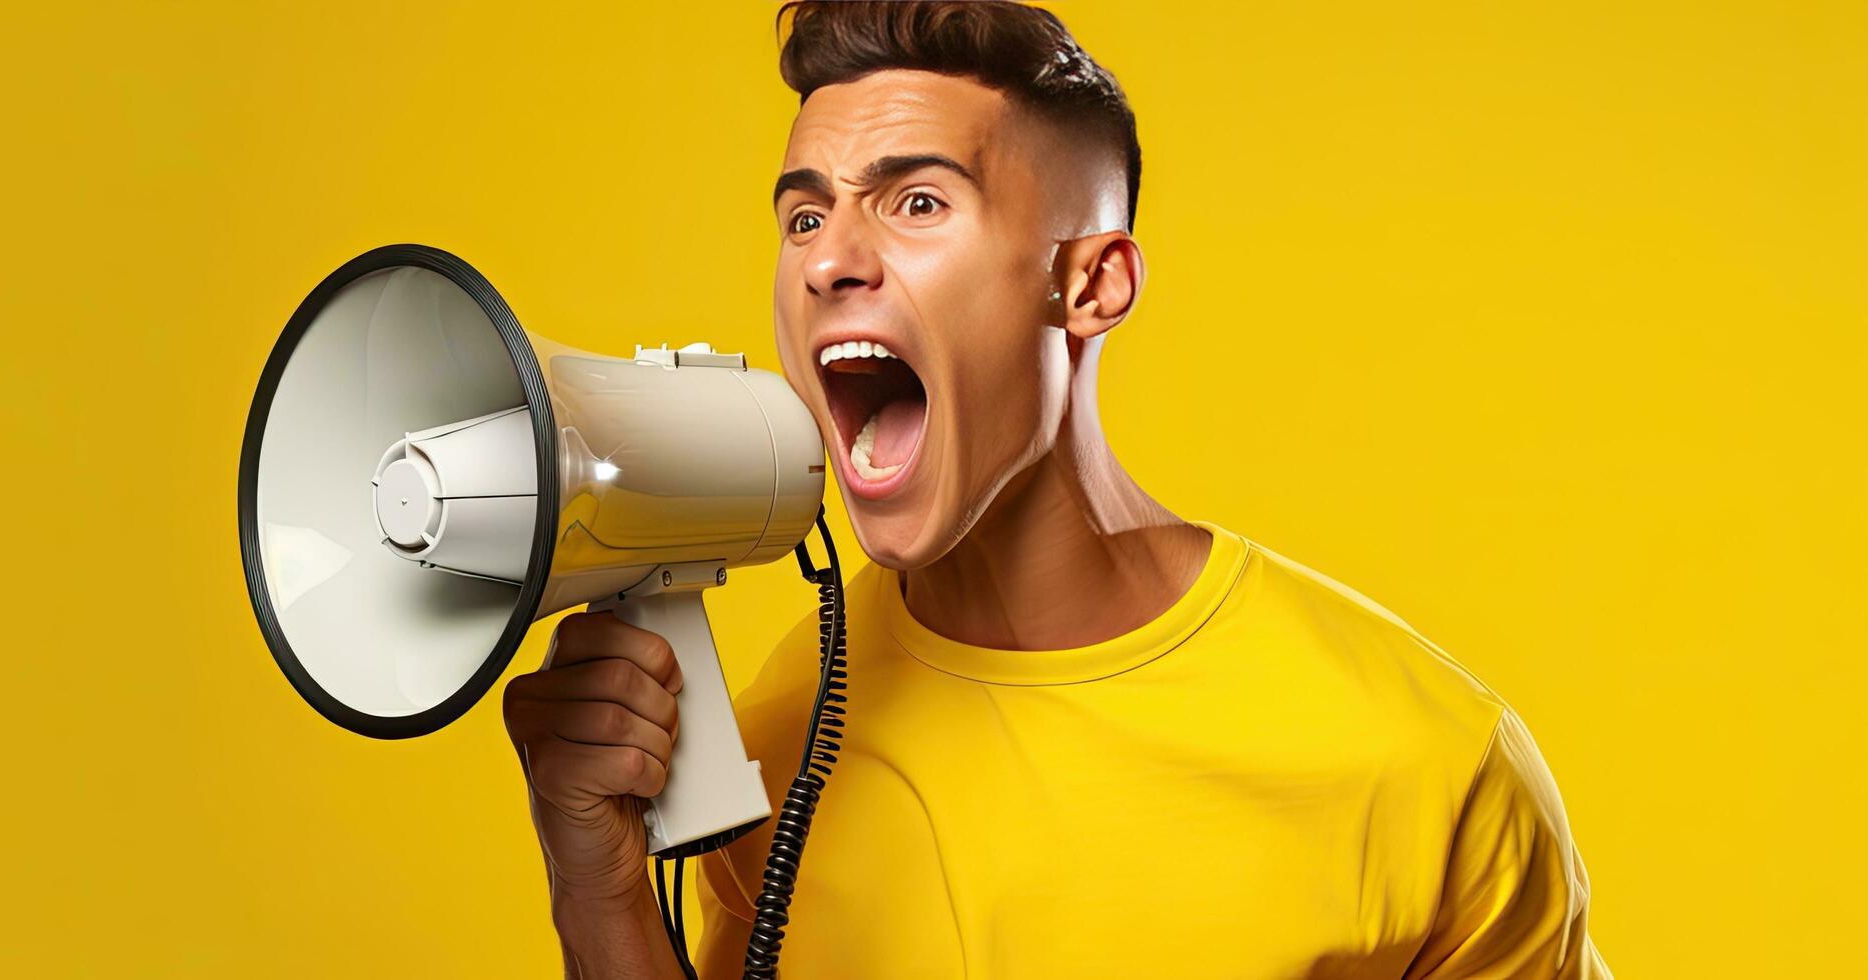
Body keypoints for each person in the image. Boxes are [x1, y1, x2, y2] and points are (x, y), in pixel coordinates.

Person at [500, 3, 1611, 977]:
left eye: (918, 203)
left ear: (1091, 283)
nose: (828, 260)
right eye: (803, 215)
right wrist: (593, 883)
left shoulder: (1420, 757)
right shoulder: (785, 727)